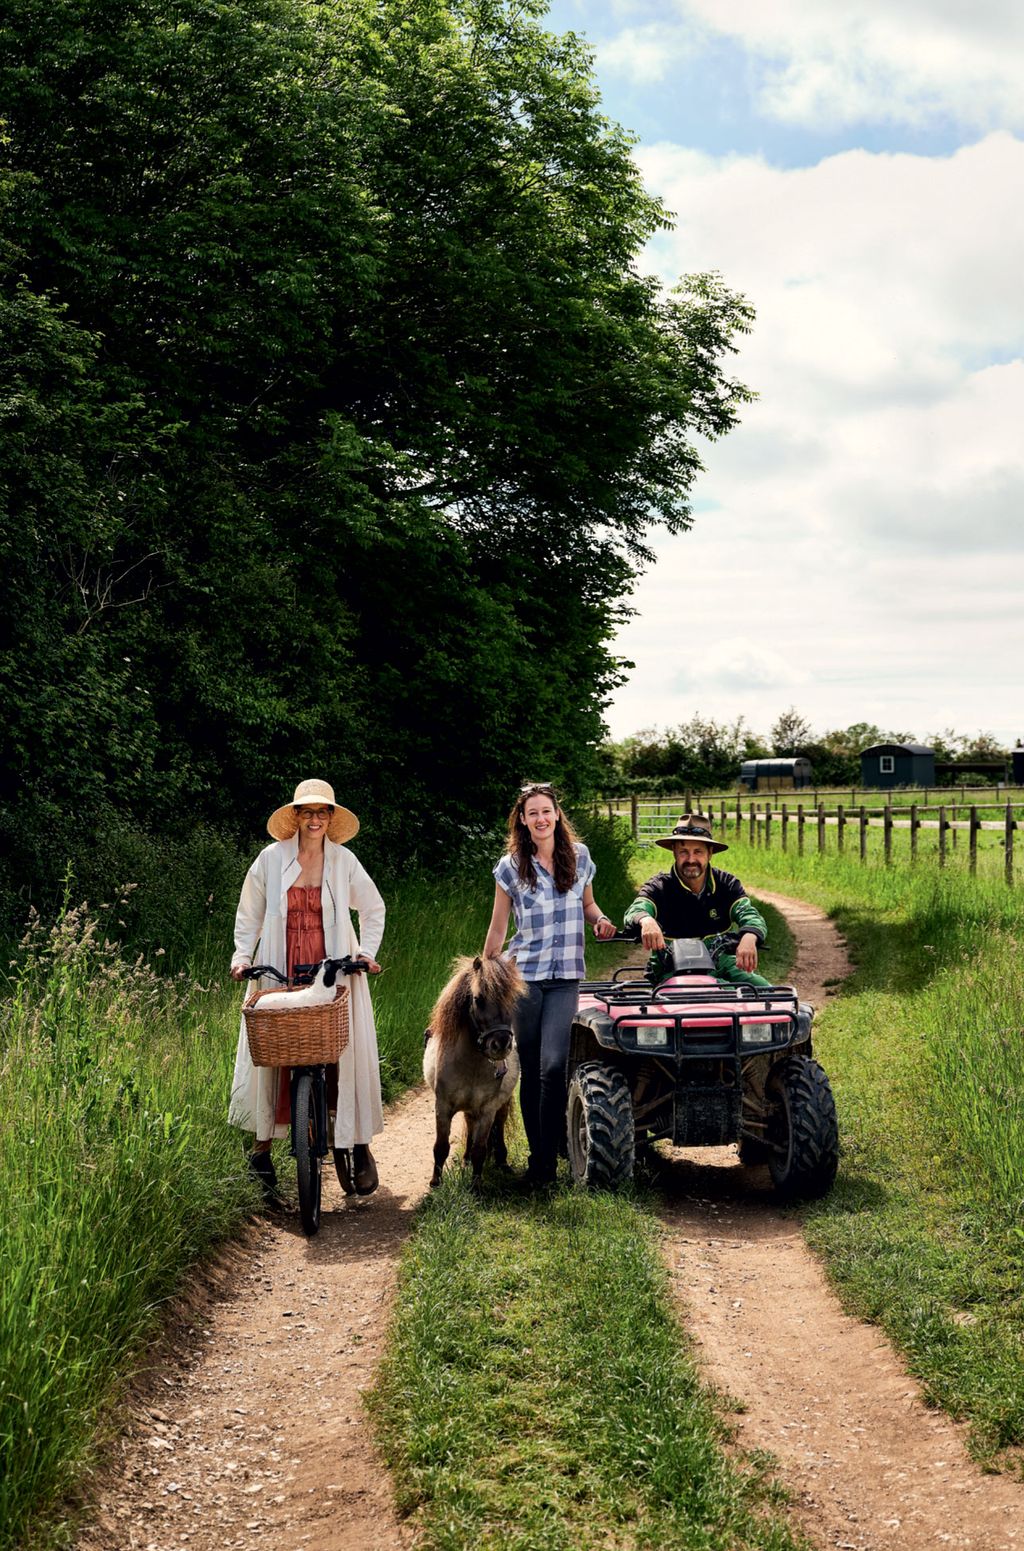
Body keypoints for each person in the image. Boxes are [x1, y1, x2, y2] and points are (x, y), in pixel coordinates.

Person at [229, 779, 385, 1200]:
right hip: (281, 961)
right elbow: (250, 914)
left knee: (342, 1050)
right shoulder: (270, 859)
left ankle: (356, 1142)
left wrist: (366, 952)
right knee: (275, 1047)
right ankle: (261, 1151)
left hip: (332, 965)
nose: (315, 820)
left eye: (322, 812)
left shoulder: (344, 861)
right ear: (296, 816)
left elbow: (373, 908)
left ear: (331, 818)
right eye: (307, 812)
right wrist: (242, 957)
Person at [483, 782, 617, 1186]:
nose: (540, 818)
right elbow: (499, 926)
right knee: (534, 1067)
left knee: (555, 1066)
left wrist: (600, 921)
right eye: (532, 813)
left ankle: (552, 1153)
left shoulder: (580, 858)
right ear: (522, 821)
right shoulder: (510, 867)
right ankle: (541, 1165)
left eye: (547, 811)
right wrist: (484, 969)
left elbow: (588, 904)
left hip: (565, 978)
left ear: (557, 815)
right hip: (526, 978)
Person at [624, 813, 771, 988]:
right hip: (672, 967)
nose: (691, 859)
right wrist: (646, 920)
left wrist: (749, 936)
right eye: (684, 852)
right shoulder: (659, 887)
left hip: (722, 961)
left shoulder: (727, 884)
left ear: (710, 853)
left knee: (767, 992)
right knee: (724, 992)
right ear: (674, 852)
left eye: (698, 852)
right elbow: (636, 909)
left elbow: (749, 914)